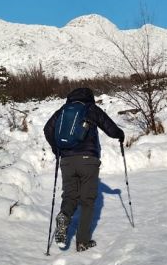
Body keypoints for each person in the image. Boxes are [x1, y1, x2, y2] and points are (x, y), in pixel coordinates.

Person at [43, 86, 124, 252]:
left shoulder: (63, 110)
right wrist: (120, 134)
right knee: (87, 201)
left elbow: (47, 129)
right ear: (90, 97)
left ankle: (64, 216)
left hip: (66, 161)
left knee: (70, 195)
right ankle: (82, 242)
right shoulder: (90, 108)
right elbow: (110, 129)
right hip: (88, 159)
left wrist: (56, 149)